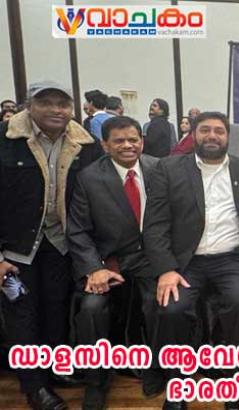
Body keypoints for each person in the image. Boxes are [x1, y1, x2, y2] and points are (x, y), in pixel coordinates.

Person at [0, 81, 103, 410]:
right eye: (47, 102)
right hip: (15, 249)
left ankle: (53, 371)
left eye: (63, 103)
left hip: (59, 244)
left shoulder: (85, 145)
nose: (56, 110)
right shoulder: (5, 140)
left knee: (55, 308)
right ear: (29, 105)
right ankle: (34, 387)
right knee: (22, 312)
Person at [143, 112, 239, 410]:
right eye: (205, 130)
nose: (212, 136)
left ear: (228, 136)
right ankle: (177, 384)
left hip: (232, 259)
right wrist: (166, 269)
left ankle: (235, 380)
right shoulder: (169, 168)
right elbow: (154, 225)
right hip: (186, 261)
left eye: (219, 131)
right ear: (193, 134)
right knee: (173, 309)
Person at [67, 116, 160, 409]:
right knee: (92, 309)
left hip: (152, 257)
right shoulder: (89, 177)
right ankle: (96, 380)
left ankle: (157, 368)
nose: (128, 145)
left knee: (162, 303)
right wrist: (94, 268)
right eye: (119, 141)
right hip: (110, 259)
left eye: (133, 139)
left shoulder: (159, 168)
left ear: (142, 141)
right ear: (105, 145)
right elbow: (78, 231)